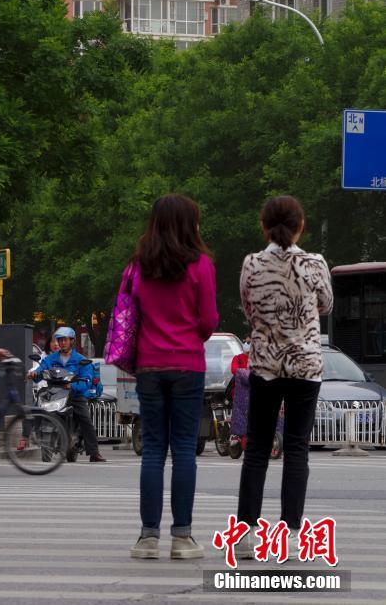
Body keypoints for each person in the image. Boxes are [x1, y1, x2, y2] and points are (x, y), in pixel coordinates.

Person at [235, 196, 332, 559]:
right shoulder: (314, 263)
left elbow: (248, 308)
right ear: (300, 225)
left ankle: (246, 535)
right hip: (306, 367)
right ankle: (290, 533)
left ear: (264, 226)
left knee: (257, 449)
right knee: (296, 448)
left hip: (266, 365)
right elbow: (326, 305)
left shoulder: (252, 264)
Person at [125, 194, 218, 560]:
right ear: (188, 224)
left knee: (152, 450)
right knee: (183, 450)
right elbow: (209, 322)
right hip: (187, 366)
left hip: (148, 365)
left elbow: (126, 316)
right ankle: (182, 538)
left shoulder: (137, 266)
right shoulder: (201, 265)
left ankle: (148, 538)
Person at [28, 326, 106, 463]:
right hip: (54, 393)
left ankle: (94, 452)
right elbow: (40, 371)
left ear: (72, 341)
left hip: (74, 395)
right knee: (36, 411)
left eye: (65, 340)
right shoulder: (51, 359)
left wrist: (73, 385)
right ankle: (30, 437)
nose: (62, 342)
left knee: (85, 420)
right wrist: (34, 374)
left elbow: (87, 381)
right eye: (60, 340)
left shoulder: (81, 360)